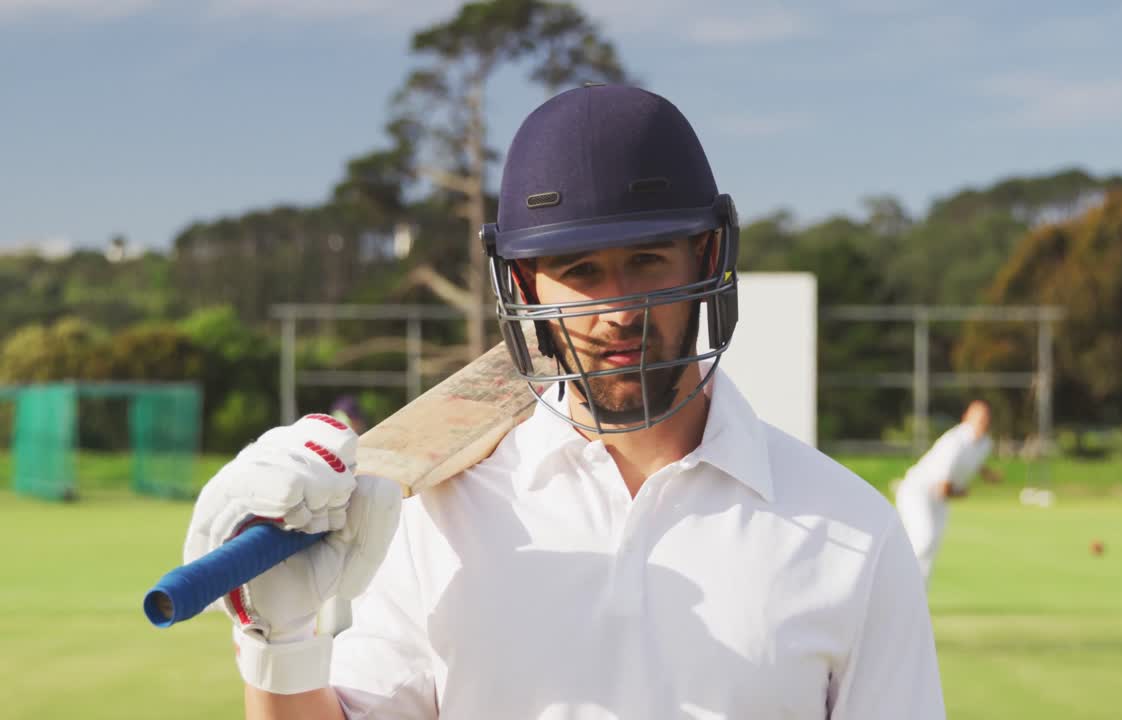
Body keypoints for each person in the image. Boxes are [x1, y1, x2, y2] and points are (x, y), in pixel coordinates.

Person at [182, 85, 943, 719]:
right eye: (580, 270)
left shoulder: (850, 532)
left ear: (708, 257)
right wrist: (279, 647)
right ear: (523, 287)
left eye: (647, 259)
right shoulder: (437, 514)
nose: (619, 308)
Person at [895, 399, 1001, 583]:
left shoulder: (985, 443)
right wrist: (962, 493)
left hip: (939, 499)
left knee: (931, 547)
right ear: (966, 417)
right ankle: (894, 581)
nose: (983, 422)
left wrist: (988, 474)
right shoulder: (954, 442)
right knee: (922, 540)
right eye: (978, 417)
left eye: (986, 418)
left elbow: (974, 462)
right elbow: (943, 487)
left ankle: (918, 599)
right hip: (918, 492)